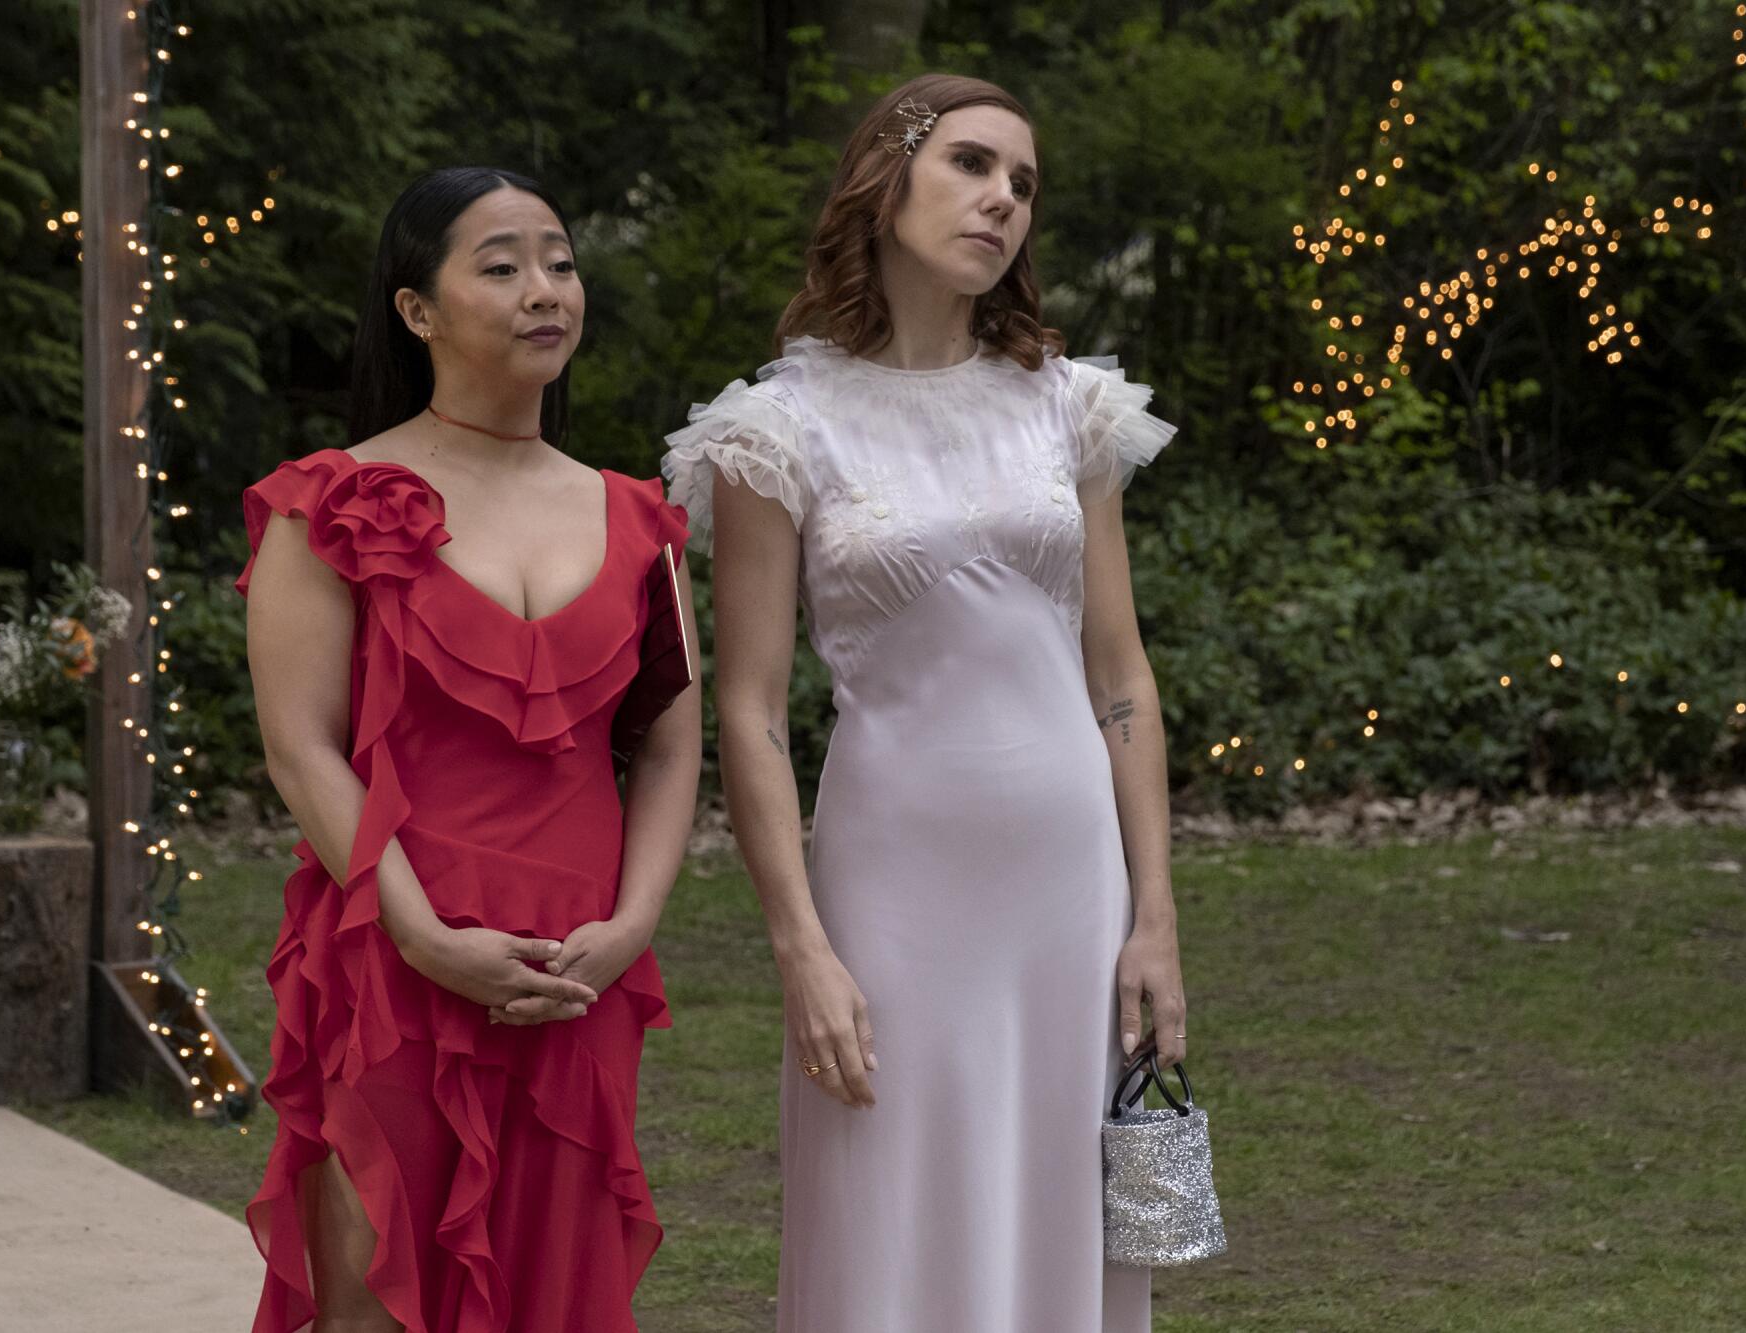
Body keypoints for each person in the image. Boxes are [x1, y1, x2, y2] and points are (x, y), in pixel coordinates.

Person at [664, 74, 1188, 1331]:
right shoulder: (774, 430)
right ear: (884, 180)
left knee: (1062, 1190)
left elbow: (1117, 672)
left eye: (1022, 183)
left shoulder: (1069, 406)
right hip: (889, 878)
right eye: (970, 164)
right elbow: (747, 708)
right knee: (886, 1198)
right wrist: (799, 945)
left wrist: (1155, 914)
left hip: (1070, 881)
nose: (1002, 198)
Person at [239, 166, 700, 1332]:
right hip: (392, 950)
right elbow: (301, 750)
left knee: (554, 1290)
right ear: (417, 310)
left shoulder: (639, 516)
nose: (544, 290)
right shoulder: (330, 501)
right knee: (376, 1302)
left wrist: (631, 925)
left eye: (559, 260)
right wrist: (422, 933)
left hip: (574, 967)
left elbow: (664, 748)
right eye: (500, 266)